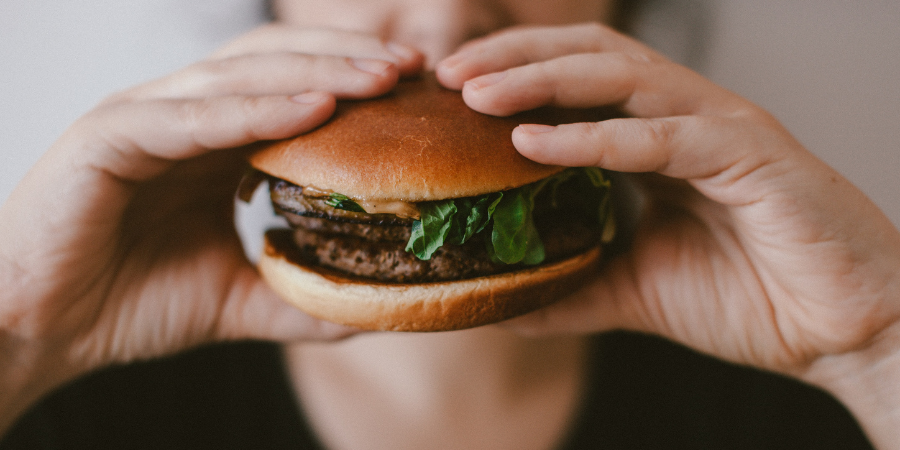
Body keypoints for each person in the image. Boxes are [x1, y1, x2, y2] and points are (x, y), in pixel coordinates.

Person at [1, 0, 897, 448]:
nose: (444, 21)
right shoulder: (79, 403)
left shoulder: (796, 407)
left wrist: (878, 350)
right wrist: (20, 337)